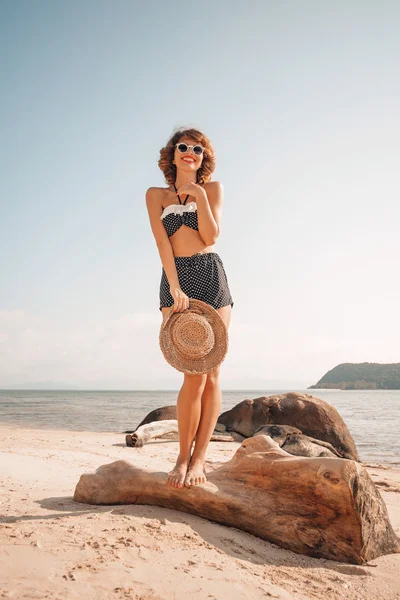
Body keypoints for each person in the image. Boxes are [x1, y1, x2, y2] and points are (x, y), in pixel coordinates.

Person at [145, 127, 234, 489]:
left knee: (211, 372)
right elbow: (162, 245)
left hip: (210, 274)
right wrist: (175, 287)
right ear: (173, 153)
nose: (190, 152)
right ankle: (182, 457)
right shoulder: (156, 195)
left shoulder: (212, 190)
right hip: (177, 277)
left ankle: (200, 459)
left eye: (198, 149)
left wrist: (197, 193)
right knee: (190, 373)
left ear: (203, 157)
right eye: (184, 147)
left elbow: (211, 237)